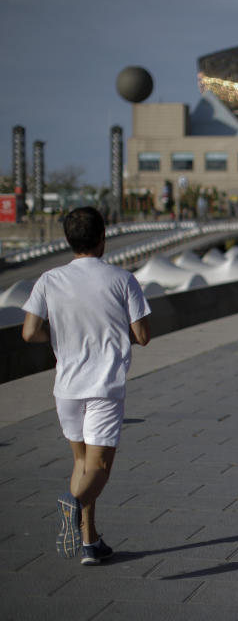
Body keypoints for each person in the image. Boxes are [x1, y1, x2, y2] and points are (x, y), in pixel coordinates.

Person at [21, 207, 151, 565]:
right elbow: (143, 335)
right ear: (102, 237)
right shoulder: (123, 279)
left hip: (66, 387)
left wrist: (59, 337)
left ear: (69, 240)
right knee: (100, 468)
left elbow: (29, 331)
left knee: (81, 462)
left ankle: (89, 541)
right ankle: (73, 506)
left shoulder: (49, 279)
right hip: (104, 386)